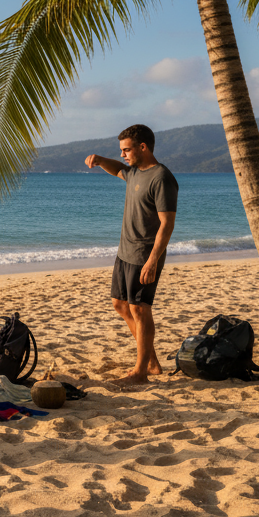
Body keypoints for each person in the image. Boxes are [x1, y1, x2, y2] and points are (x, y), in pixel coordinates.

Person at [85, 124, 179, 385]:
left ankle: (141, 372)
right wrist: (102, 160)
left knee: (140, 308)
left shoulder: (162, 178)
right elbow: (118, 170)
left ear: (143, 147)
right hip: (125, 251)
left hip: (144, 254)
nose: (124, 154)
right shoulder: (135, 172)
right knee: (120, 305)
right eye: (121, 151)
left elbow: (167, 224)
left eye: (127, 150)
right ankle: (151, 362)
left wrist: (152, 260)